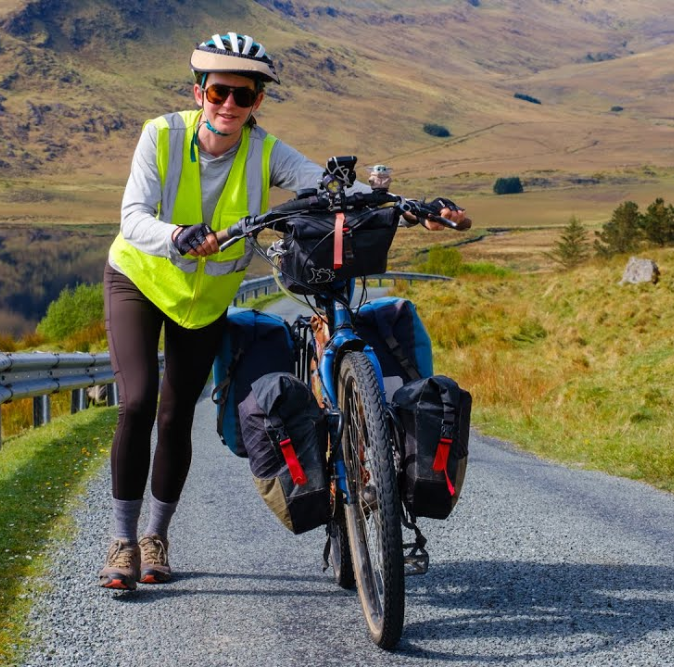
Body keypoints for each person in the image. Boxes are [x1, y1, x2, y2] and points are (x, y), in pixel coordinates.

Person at [99, 32, 468, 590]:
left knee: (176, 417)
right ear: (199, 91)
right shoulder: (161, 135)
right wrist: (177, 235)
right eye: (219, 91)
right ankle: (122, 542)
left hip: (204, 305)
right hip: (140, 279)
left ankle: (156, 538)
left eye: (242, 96)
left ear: (257, 102)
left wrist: (414, 206)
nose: (229, 105)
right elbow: (132, 217)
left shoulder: (264, 151)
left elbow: (330, 189)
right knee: (138, 403)